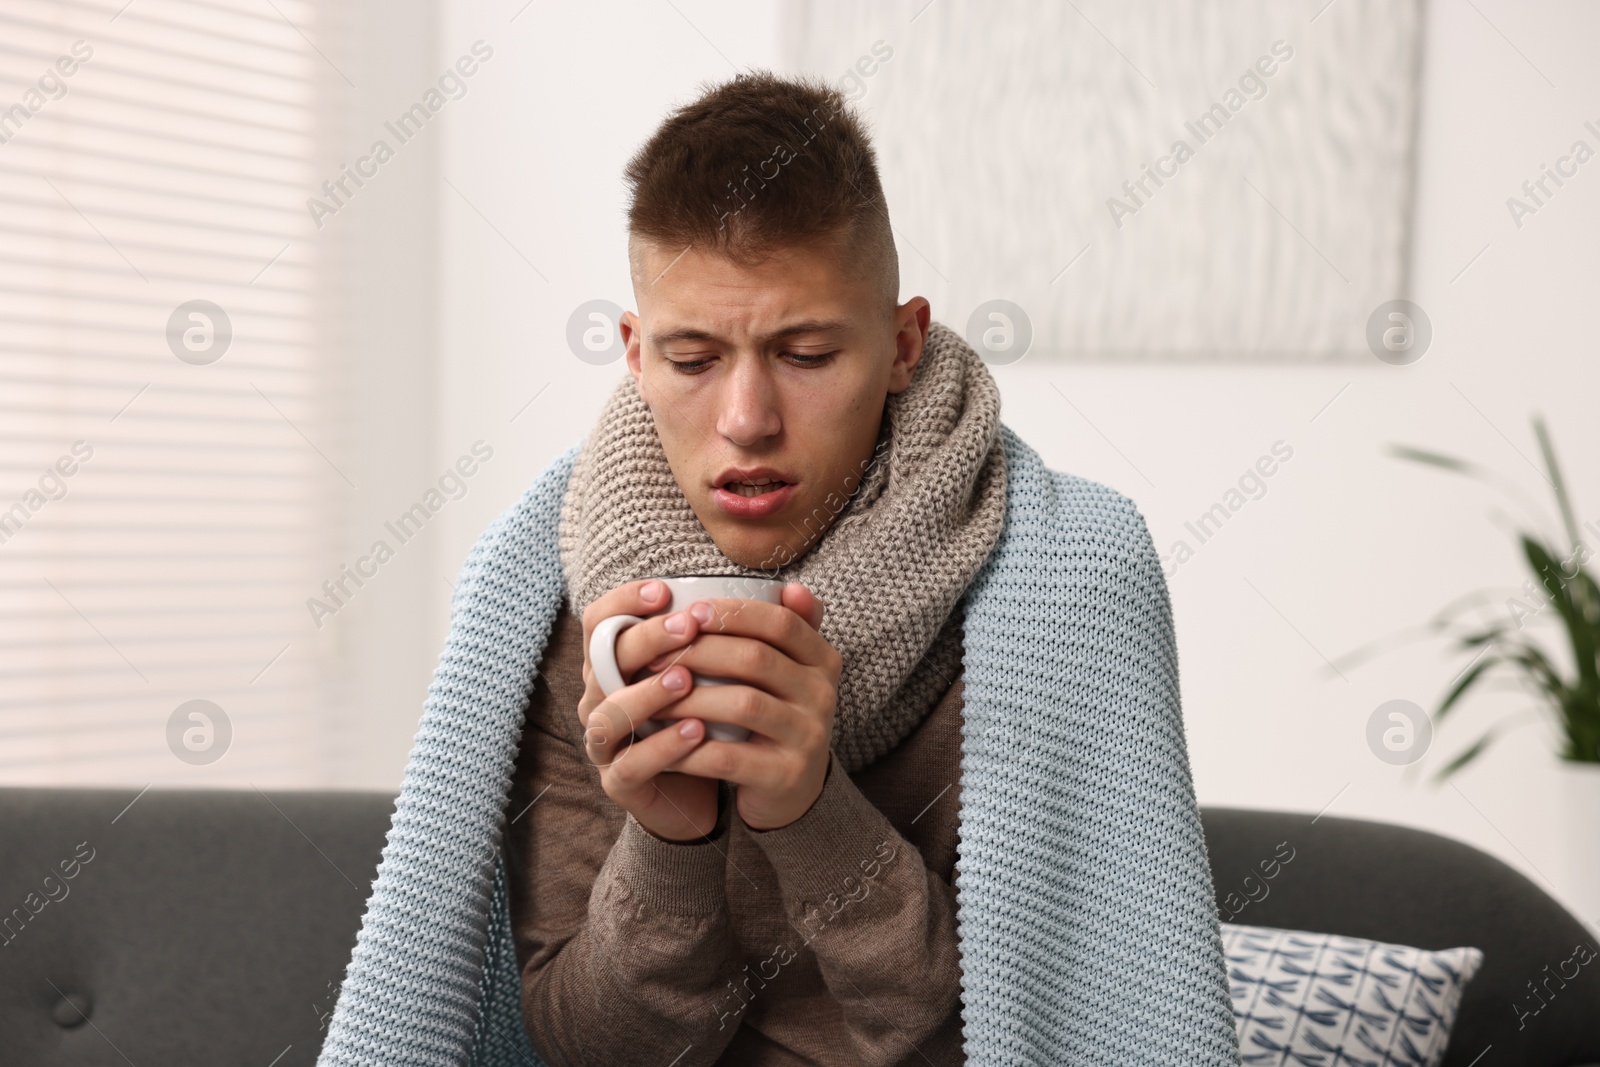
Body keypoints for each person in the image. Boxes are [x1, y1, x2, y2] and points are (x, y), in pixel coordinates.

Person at [314, 69, 1237, 1067]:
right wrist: (666, 845)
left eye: (803, 353)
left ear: (901, 343)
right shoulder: (549, 586)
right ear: (634, 354)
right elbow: (586, 1050)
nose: (746, 420)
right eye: (693, 357)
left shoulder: (1069, 578)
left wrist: (810, 810)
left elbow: (1022, 1040)